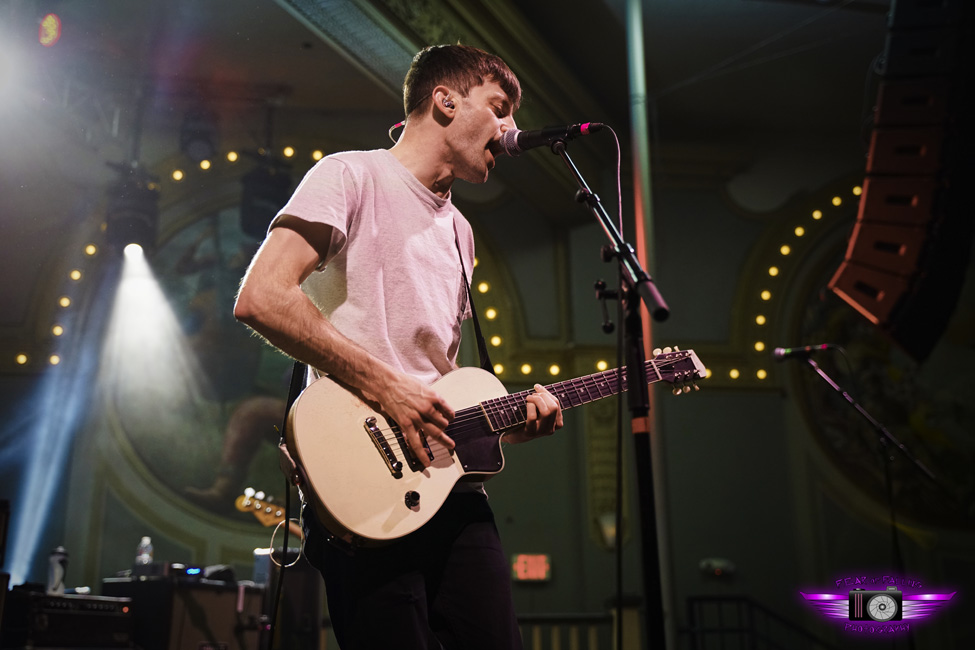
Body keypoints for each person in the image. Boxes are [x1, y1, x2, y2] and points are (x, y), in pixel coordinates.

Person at [233, 44, 563, 650]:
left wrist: (507, 423)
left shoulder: (461, 232)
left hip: (452, 493)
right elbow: (263, 297)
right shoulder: (351, 174)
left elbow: (438, 380)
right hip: (361, 486)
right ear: (445, 100)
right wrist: (385, 385)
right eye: (499, 107)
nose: (511, 131)